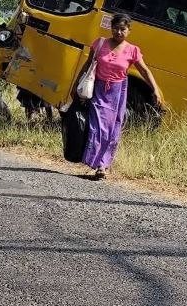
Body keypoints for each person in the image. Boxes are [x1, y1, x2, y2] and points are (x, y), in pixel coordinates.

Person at [70, 13, 167, 180]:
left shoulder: (133, 50)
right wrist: (75, 85)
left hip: (118, 93)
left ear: (129, 30)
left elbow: (145, 71)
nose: (118, 32)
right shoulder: (100, 44)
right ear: (111, 28)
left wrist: (155, 90)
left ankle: (103, 166)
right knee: (98, 127)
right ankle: (95, 161)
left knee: (113, 130)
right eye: (115, 28)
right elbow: (87, 65)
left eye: (123, 29)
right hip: (99, 90)